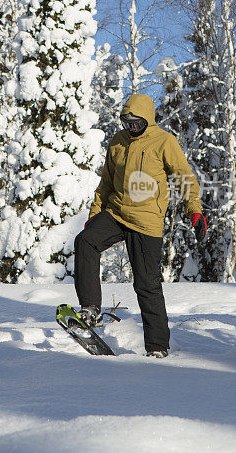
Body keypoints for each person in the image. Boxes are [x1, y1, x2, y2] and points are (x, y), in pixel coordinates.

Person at [74, 93, 207, 358]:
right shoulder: (118, 142)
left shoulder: (164, 141)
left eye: (136, 123)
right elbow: (106, 185)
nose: (131, 128)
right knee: (85, 241)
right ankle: (90, 309)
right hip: (117, 211)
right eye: (127, 123)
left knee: (147, 284)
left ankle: (157, 346)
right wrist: (94, 214)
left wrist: (194, 209)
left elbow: (184, 177)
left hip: (146, 220)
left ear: (147, 119)